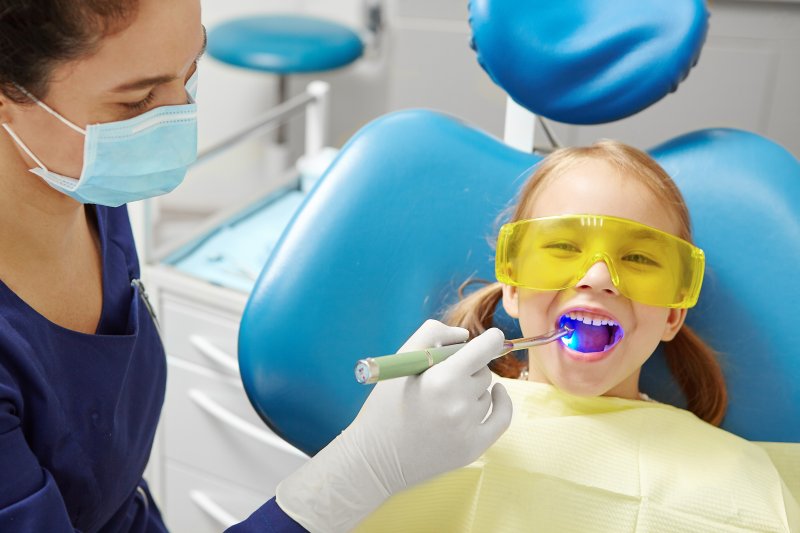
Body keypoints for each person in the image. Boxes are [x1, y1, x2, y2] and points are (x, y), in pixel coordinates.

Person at [0, 1, 512, 531]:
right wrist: (364, 469)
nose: (178, 116)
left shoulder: (84, 181)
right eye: (137, 101)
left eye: (192, 71)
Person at [350, 141, 799, 532]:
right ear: (513, 286)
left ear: (673, 314)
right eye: (563, 248)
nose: (599, 277)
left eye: (640, 258)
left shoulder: (739, 474)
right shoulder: (428, 428)